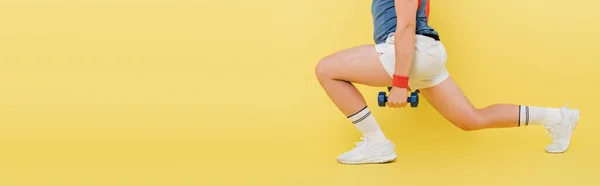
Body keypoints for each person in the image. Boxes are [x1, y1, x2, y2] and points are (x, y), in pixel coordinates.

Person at [314, 0, 581, 165]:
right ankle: (558, 117)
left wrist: (399, 81)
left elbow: (406, 26)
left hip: (410, 49)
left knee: (326, 69)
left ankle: (376, 143)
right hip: (423, 53)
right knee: (471, 119)